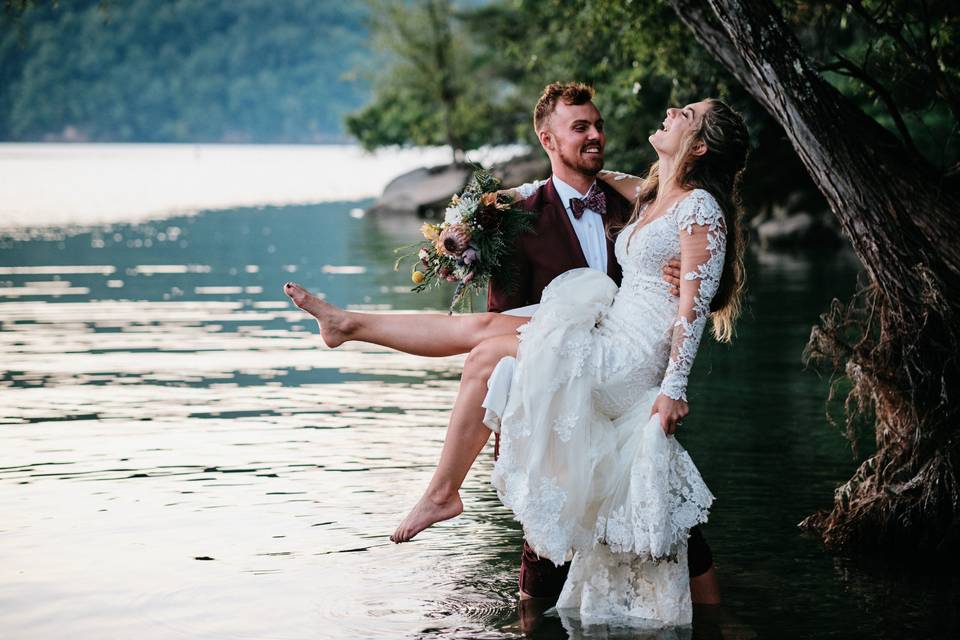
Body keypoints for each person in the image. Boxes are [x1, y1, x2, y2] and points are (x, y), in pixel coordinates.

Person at [284, 86, 749, 626]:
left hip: (627, 362)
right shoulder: (643, 193)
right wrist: (492, 204)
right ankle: (350, 326)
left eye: (686, 115)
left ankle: (440, 488)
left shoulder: (690, 204)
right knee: (482, 337)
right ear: (549, 139)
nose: (598, 134)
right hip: (599, 341)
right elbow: (602, 189)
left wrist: (674, 390)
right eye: (581, 127)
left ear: (698, 147)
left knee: (666, 525)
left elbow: (697, 297)